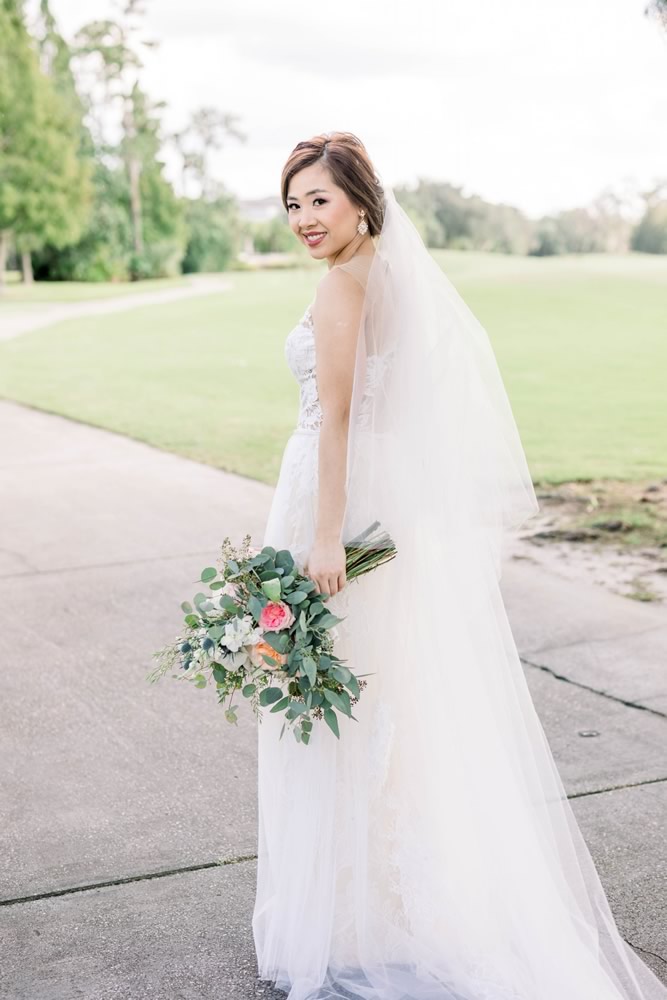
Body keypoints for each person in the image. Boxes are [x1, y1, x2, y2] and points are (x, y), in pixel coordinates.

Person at [252, 131, 667, 1000]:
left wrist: (323, 538)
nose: (303, 219)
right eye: (292, 204)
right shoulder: (397, 279)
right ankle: (391, 899)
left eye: (318, 200)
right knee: (392, 700)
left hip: (336, 506)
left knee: (332, 701)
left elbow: (334, 421)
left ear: (361, 202)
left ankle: (347, 912)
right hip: (390, 506)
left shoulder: (341, 286)